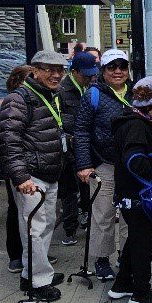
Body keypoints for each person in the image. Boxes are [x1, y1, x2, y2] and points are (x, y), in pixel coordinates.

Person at [0, 51, 70, 302]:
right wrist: (20, 177)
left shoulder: (51, 95)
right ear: (34, 71)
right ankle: (37, 283)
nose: (56, 74)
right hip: (31, 177)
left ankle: (36, 273)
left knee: (46, 224)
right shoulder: (19, 99)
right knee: (34, 229)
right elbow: (8, 140)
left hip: (50, 173)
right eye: (49, 69)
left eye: (60, 70)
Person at [109, 76, 152, 303]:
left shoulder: (136, 122)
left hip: (132, 195)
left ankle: (121, 284)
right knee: (144, 245)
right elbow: (135, 162)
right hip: (137, 197)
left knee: (135, 240)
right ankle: (140, 293)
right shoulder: (136, 126)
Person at [71, 48, 132, 281]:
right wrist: (84, 165)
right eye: (111, 67)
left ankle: (126, 256)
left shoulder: (137, 93)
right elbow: (82, 131)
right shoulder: (93, 95)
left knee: (130, 214)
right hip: (103, 164)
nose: (118, 71)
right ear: (103, 70)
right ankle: (101, 259)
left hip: (131, 167)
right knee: (103, 214)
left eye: (122, 66)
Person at [56, 52, 99, 246]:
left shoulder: (92, 88)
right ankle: (70, 228)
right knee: (69, 190)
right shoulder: (61, 91)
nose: (90, 78)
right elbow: (60, 119)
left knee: (87, 187)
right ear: (74, 72)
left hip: (87, 146)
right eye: (85, 75)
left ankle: (87, 218)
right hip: (68, 149)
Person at [0, 64, 33, 274]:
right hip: (17, 168)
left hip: (24, 166)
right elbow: (7, 141)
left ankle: (30, 256)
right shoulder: (9, 104)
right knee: (17, 211)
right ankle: (17, 256)